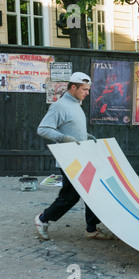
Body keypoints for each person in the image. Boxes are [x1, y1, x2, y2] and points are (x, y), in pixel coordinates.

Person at [34, 72, 112, 240]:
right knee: (70, 196)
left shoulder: (76, 104)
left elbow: (71, 127)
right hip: (70, 161)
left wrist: (85, 135)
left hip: (82, 158)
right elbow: (43, 129)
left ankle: (91, 229)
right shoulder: (59, 106)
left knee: (93, 191)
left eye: (88, 89)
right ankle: (43, 219)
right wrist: (63, 138)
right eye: (84, 89)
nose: (87, 93)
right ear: (73, 87)